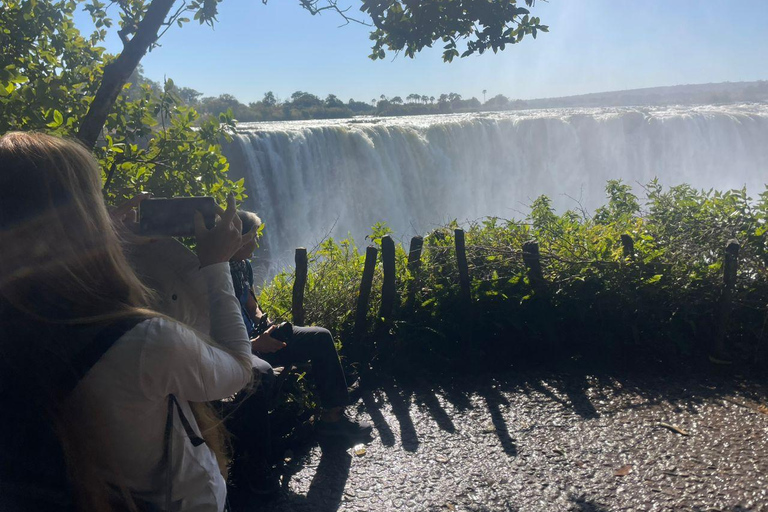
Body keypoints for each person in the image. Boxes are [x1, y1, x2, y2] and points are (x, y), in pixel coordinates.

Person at [0, 132, 260, 511]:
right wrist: (216, 264)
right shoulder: (143, 342)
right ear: (81, 221)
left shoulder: (20, 325)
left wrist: (104, 244)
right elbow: (238, 368)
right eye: (95, 200)